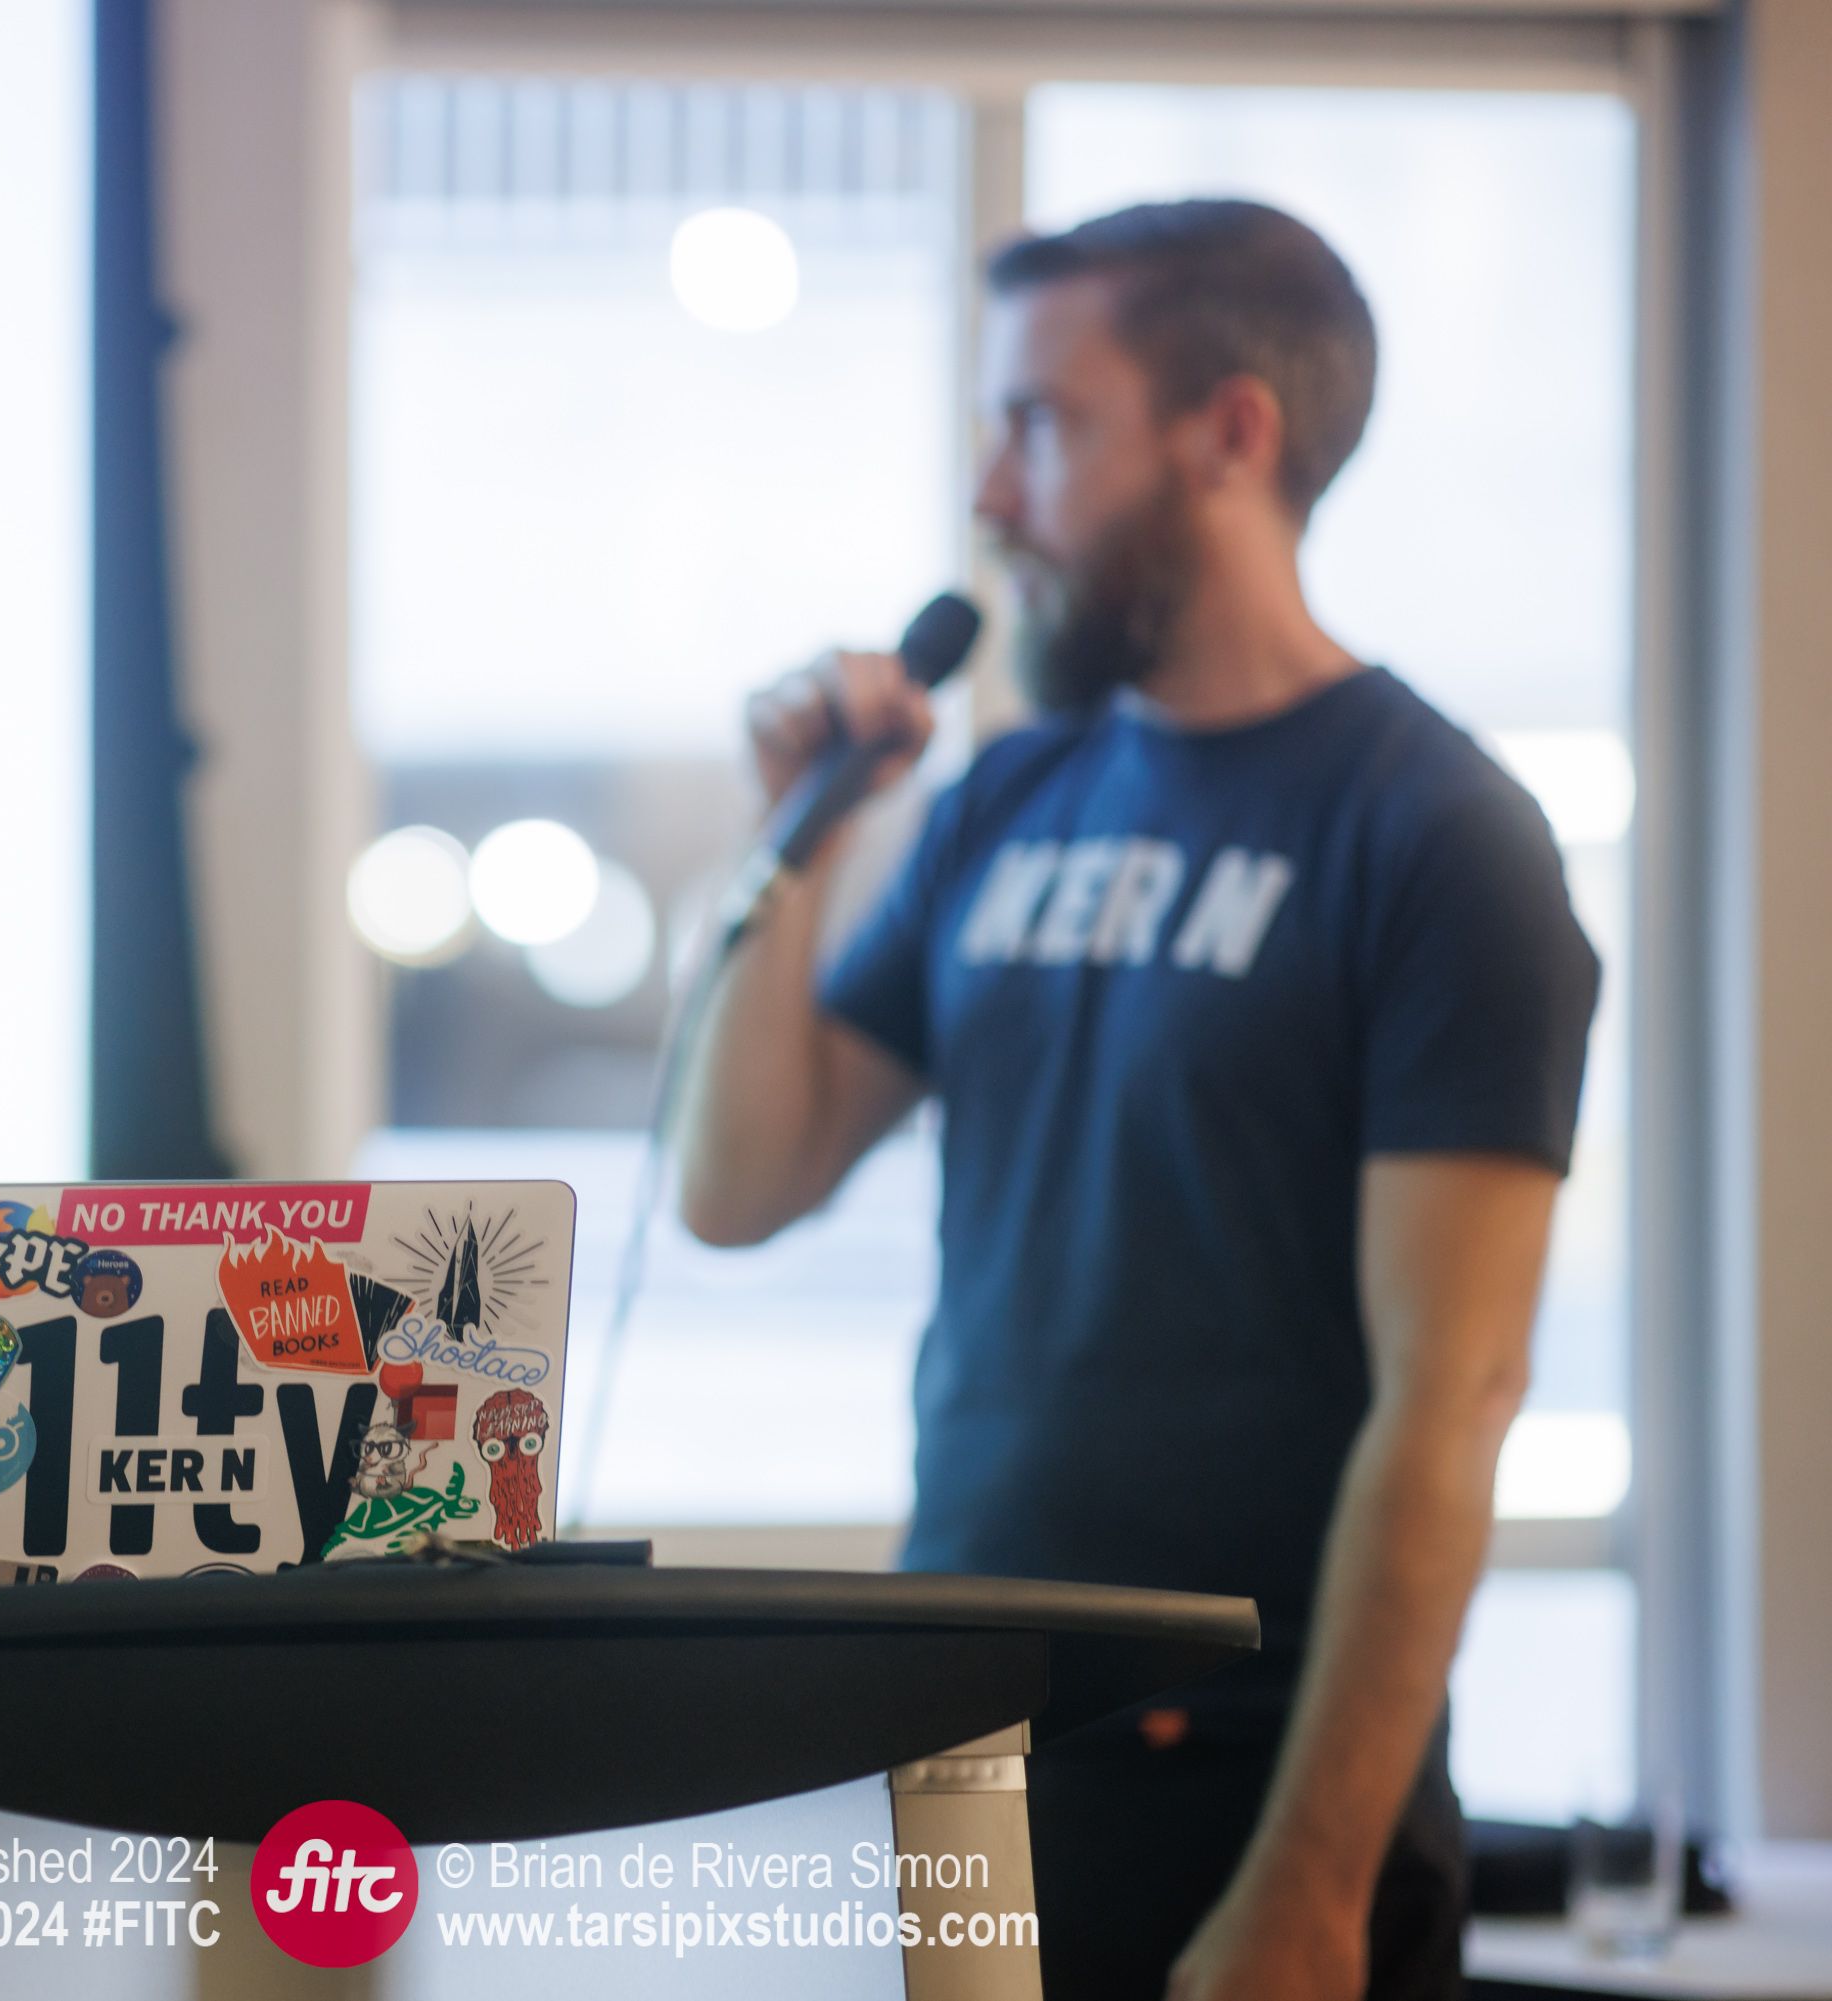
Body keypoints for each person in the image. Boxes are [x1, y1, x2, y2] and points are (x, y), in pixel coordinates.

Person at [678, 200, 1599, 2000]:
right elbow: (737, 1181)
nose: (994, 497)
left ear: (1229, 433)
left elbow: (1454, 1402)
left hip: (1257, 1791)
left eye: (1042, 423)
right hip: (973, 1755)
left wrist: (1313, 1890)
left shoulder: (1435, 836)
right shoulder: (1006, 803)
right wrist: (794, 831)